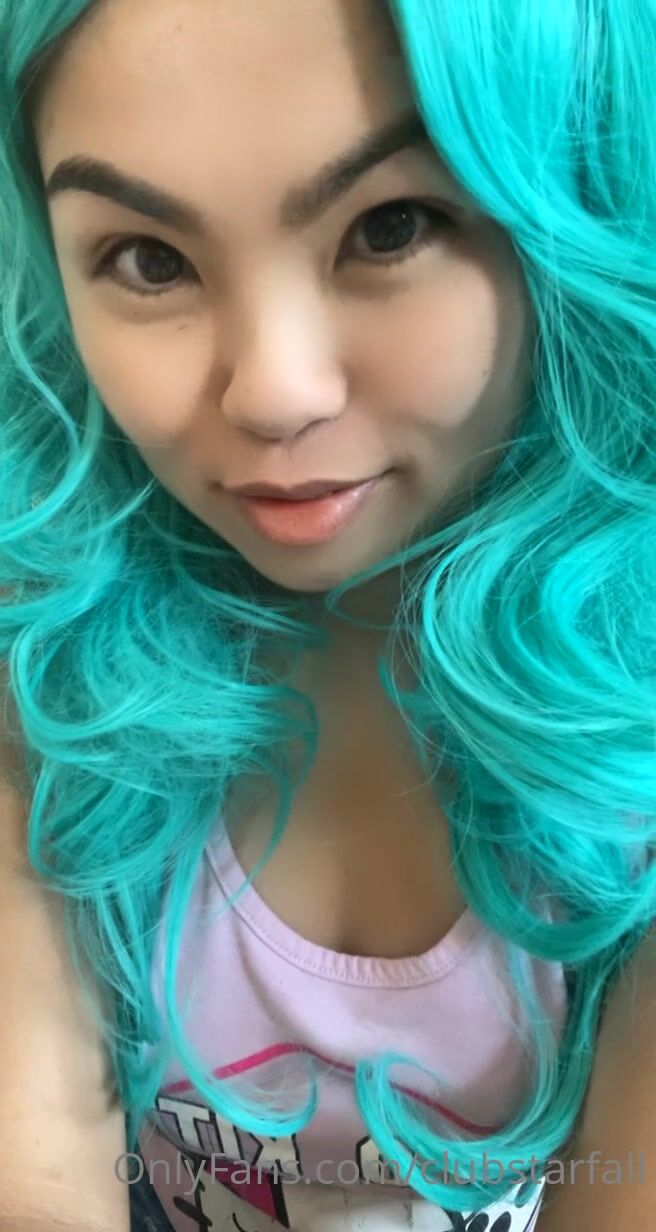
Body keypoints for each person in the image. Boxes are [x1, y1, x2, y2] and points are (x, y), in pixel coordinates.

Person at [0, 0, 655, 1228]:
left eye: (388, 227)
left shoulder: (632, 716)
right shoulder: (43, 650)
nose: (273, 392)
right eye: (148, 259)